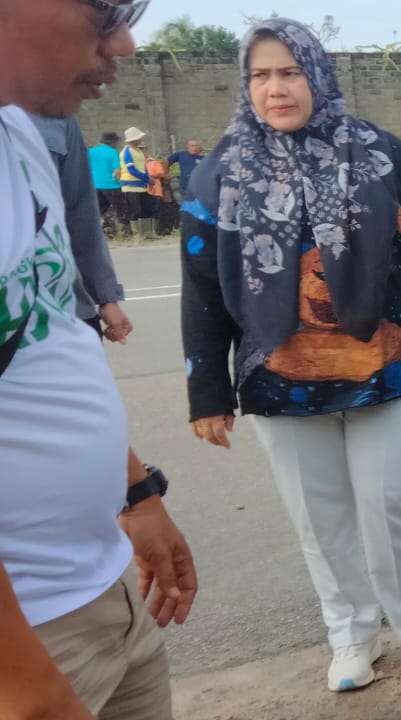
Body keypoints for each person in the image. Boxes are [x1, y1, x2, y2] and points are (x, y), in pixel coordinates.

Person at [181, 18, 401, 693]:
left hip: (392, 361)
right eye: (261, 75)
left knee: (391, 502)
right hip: (278, 378)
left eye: (289, 71)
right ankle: (351, 634)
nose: (276, 87)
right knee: (318, 518)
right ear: (247, 84)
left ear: (316, 75)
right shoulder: (219, 173)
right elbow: (202, 285)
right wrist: (206, 389)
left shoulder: (381, 153)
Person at [1, 1, 201, 718]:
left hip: (107, 594)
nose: (124, 41)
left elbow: (44, 337)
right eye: (100, 9)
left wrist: (135, 492)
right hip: (30, 641)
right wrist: (24, 682)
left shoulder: (18, 135)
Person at [28, 114, 131, 341]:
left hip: (64, 310)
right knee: (121, 216)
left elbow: (81, 215)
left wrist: (105, 297)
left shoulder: (55, 116)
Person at [117, 125, 151, 235]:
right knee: (135, 210)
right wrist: (146, 177)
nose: (141, 140)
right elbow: (131, 169)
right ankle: (137, 234)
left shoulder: (139, 151)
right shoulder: (126, 152)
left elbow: (142, 166)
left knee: (145, 209)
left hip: (141, 185)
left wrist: (146, 177)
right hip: (130, 185)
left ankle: (146, 233)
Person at [88, 130, 124, 232]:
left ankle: (96, 231)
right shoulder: (113, 152)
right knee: (120, 211)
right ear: (113, 142)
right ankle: (123, 232)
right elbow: (117, 171)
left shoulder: (91, 152)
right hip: (112, 186)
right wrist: (122, 183)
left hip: (95, 186)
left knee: (98, 211)